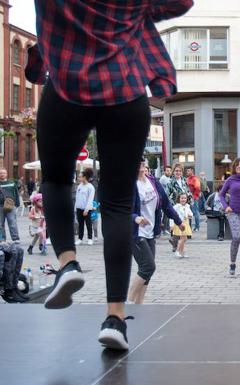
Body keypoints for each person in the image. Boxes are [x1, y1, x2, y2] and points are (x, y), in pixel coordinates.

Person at [26, 0, 194, 350]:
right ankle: (115, 318)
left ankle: (68, 264)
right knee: (118, 204)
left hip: (66, 92)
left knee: (57, 180)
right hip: (125, 94)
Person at [128, 160, 183, 304]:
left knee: (147, 271)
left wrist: (179, 222)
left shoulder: (153, 181)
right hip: (135, 233)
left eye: (142, 160)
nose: (140, 162)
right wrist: (136, 218)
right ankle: (127, 303)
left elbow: (165, 203)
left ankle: (139, 304)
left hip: (150, 232)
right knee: (148, 267)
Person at [74, 169, 96, 246]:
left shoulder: (90, 187)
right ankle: (80, 239)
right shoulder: (79, 186)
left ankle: (90, 238)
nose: (79, 178)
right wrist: (75, 208)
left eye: (80, 177)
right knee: (80, 224)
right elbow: (77, 197)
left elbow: (90, 199)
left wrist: (86, 209)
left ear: (85, 177)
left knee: (88, 224)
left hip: (87, 209)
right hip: (79, 208)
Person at [0, 168, 21, 243]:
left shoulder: (12, 183)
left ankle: (15, 238)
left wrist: (17, 204)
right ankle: (2, 239)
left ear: (6, 174)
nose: (2, 174)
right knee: (0, 224)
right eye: (1, 173)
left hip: (11, 205)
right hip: (0, 206)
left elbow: (16, 194)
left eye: (4, 173)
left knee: (12, 222)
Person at [171, 193, 193, 258]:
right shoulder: (176, 206)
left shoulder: (187, 206)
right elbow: (172, 216)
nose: (183, 199)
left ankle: (182, 252)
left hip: (186, 223)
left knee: (184, 238)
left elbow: (191, 214)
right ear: (179, 199)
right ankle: (177, 251)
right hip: (179, 223)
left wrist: (190, 215)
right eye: (182, 198)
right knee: (183, 238)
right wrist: (171, 225)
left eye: (185, 198)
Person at [185, 167, 202, 232]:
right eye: (187, 171)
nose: (187, 172)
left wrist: (194, 197)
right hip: (187, 198)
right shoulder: (187, 179)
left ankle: (197, 227)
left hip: (193, 198)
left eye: (188, 171)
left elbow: (197, 188)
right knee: (188, 212)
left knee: (195, 212)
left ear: (192, 171)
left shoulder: (195, 179)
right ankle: (189, 227)